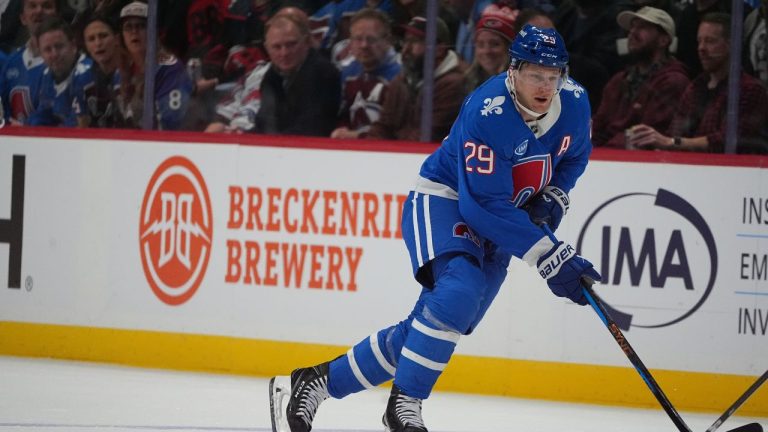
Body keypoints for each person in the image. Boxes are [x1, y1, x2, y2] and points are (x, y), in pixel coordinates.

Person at [269, 24, 601, 432]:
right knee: (459, 293)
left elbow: (575, 157)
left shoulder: (575, 101)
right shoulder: (488, 110)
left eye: (554, 76)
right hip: (447, 201)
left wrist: (553, 198)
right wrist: (550, 255)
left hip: (505, 215)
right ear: (513, 70)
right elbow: (480, 206)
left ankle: (318, 382)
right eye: (536, 74)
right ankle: (405, 405)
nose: (546, 86)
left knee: (437, 322)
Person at [626, 13, 768, 153]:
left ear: (731, 45)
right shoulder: (696, 86)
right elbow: (674, 132)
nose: (701, 48)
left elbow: (728, 140)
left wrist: (670, 143)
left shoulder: (750, 89)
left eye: (710, 41)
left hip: (730, 171)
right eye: (699, 41)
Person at [592, 6, 690, 148]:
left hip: (645, 165)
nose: (632, 33)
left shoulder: (673, 82)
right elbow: (597, 127)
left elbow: (646, 137)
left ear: (663, 40)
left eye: (643, 27)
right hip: (607, 159)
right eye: (632, 27)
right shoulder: (619, 80)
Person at [368, 16, 467, 142]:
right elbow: (383, 125)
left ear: (439, 49)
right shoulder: (400, 81)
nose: (405, 50)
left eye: (414, 41)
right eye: (405, 41)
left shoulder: (454, 85)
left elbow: (429, 136)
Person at [250, 13, 341, 136]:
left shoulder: (324, 74)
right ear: (267, 49)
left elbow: (312, 128)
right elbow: (264, 123)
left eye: (291, 44)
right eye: (277, 47)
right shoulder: (271, 75)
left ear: (307, 42)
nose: (284, 53)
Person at [114, 1, 193, 130]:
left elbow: (172, 121)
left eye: (141, 26)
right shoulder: (120, 73)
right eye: (128, 27)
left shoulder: (169, 67)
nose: (134, 32)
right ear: (121, 36)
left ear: (155, 32)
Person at [330, 8, 401, 139]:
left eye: (371, 39)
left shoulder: (400, 75)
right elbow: (342, 115)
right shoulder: (347, 72)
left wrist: (357, 136)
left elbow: (396, 129)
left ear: (388, 40)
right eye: (358, 39)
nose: (364, 45)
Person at [26, 16, 94, 127]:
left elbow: (80, 127)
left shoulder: (85, 74)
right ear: (40, 53)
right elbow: (42, 115)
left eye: (59, 46)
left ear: (73, 46)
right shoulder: (47, 74)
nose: (54, 54)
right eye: (47, 49)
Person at [0, 0, 59, 124]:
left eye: (46, 6)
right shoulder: (11, 61)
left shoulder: (67, 62)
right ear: (23, 18)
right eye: (32, 6)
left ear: (57, 16)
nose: (39, 10)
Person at [75, 14, 124, 127]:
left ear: (117, 39)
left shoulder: (131, 75)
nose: (98, 43)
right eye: (91, 39)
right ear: (86, 46)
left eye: (103, 36)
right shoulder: (82, 80)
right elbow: (81, 126)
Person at [464, 3, 517, 92]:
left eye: (495, 44)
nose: (487, 51)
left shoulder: (521, 88)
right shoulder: (467, 83)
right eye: (481, 44)